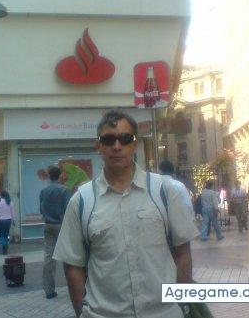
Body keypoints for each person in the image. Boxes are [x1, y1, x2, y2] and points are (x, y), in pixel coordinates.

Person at [54, 110, 198, 318]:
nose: (117, 146)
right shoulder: (82, 201)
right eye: (108, 140)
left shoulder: (164, 191)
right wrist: (82, 313)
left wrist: (181, 304)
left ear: (135, 144)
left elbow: (183, 252)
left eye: (125, 138)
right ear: (98, 146)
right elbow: (72, 265)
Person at [40, 165, 71, 299]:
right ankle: (73, 287)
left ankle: (49, 290)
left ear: (49, 175)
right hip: (61, 225)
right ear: (59, 175)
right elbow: (69, 209)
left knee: (49, 257)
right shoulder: (64, 190)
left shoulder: (44, 191)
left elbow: (41, 209)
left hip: (48, 225)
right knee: (68, 256)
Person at [0, 190, 15, 254]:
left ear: (1, 195)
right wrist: (13, 220)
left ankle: (4, 245)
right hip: (8, 220)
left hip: (1, 220)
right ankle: (5, 248)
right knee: (6, 234)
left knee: (0, 234)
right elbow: (13, 212)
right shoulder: (10, 202)